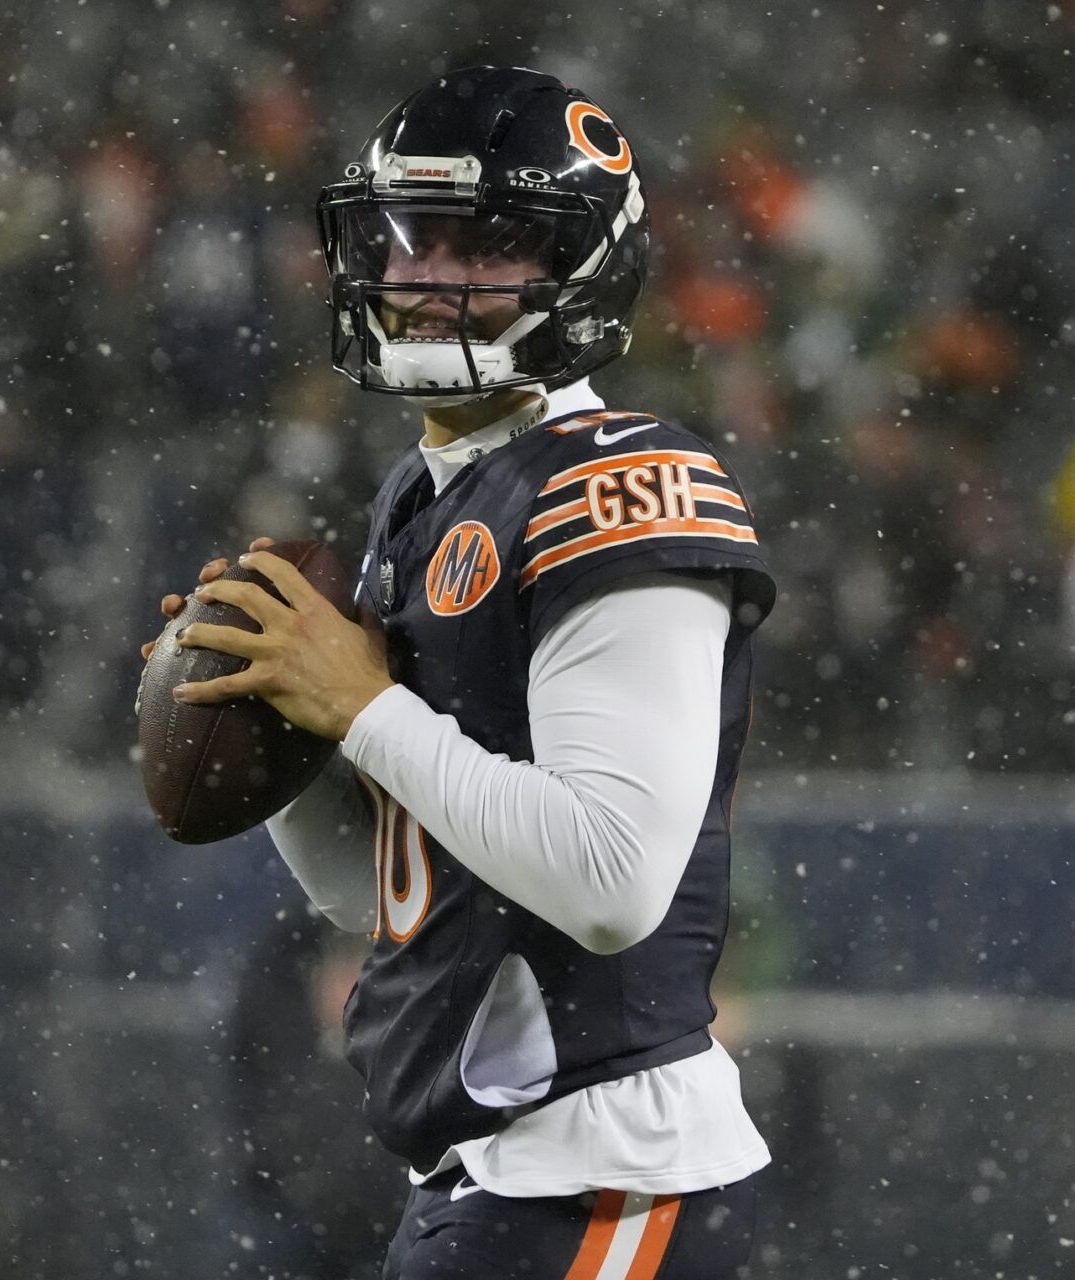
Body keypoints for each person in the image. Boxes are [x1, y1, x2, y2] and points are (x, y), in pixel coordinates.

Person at [142, 67, 774, 1278]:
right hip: (497, 1172)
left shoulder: (617, 482)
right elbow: (380, 893)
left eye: (485, 242)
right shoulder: (421, 501)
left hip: (600, 1163)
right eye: (409, 235)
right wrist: (270, 719)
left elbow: (607, 879)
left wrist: (363, 705)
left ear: (582, 267)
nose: (429, 275)